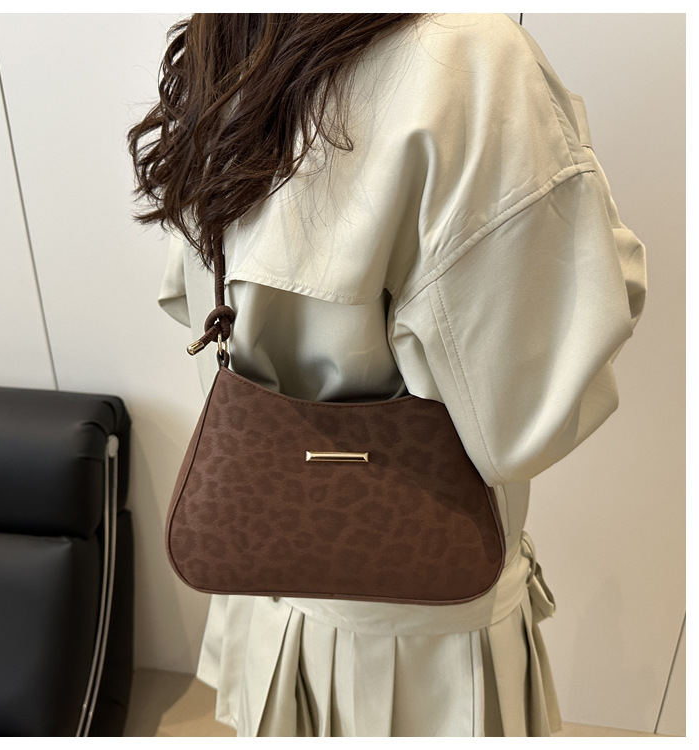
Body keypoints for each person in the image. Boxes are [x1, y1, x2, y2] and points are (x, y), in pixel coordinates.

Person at [129, 13, 646, 737]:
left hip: (270, 591)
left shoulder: (233, 37)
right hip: (420, 644)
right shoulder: (472, 59)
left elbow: (190, 298)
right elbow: (526, 418)